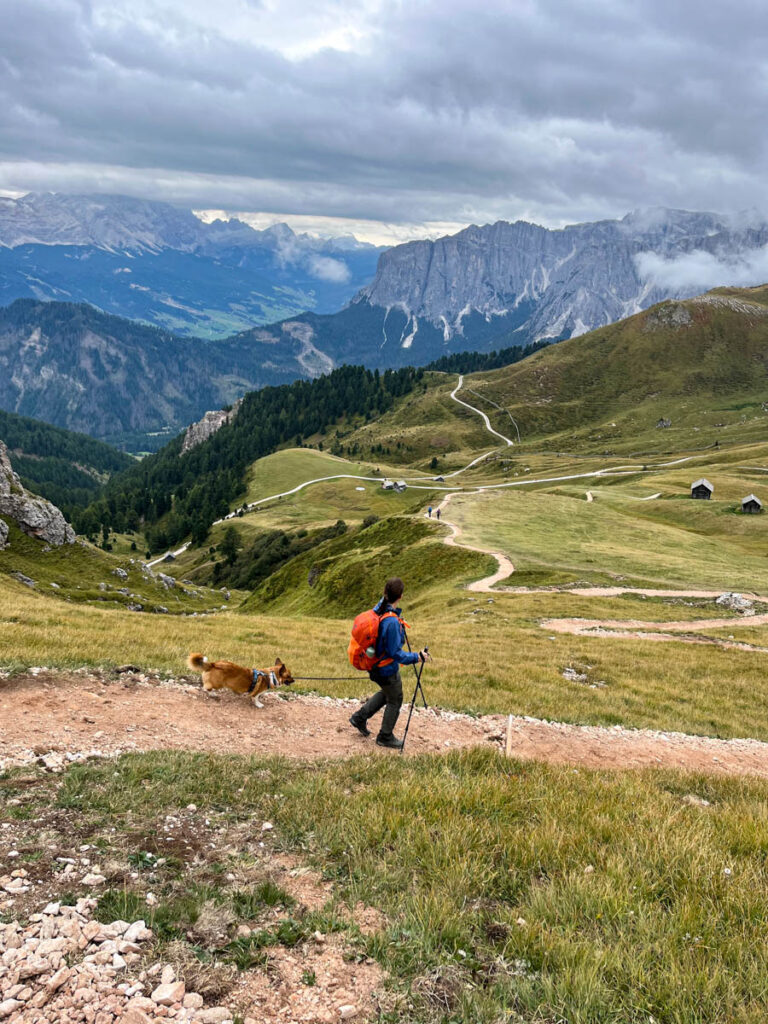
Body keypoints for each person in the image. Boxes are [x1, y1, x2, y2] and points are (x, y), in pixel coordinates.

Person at [349, 577, 429, 749]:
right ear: (400, 596)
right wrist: (417, 657)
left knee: (387, 694)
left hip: (375, 666)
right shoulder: (391, 621)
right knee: (396, 698)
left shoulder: (380, 609)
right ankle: (385, 736)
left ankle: (359, 718)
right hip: (386, 669)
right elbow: (395, 653)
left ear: (385, 593)